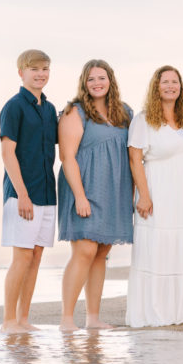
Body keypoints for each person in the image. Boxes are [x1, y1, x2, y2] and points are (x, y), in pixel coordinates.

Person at [57, 59, 134, 332]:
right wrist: (80, 196)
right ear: (84, 83)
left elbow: (134, 154)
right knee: (85, 250)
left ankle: (93, 318)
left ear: (110, 80)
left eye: (101, 78)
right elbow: (67, 157)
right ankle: (67, 318)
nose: (97, 83)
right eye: (91, 79)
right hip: (84, 187)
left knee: (101, 252)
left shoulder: (125, 112)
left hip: (115, 190)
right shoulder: (74, 112)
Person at [125, 66, 183, 327]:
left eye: (175, 82)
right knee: (157, 247)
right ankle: (154, 313)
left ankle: (179, 312)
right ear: (156, 87)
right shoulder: (144, 119)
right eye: (165, 82)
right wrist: (143, 196)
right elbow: (135, 159)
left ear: (181, 87)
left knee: (182, 246)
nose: (170, 86)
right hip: (157, 190)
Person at [0, 49, 58, 334]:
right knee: (21, 257)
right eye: (34, 69)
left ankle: (24, 320)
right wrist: (22, 194)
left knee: (35, 258)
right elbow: (8, 153)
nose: (40, 74)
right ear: (21, 72)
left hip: (48, 195)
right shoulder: (14, 107)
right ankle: (8, 321)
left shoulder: (49, 109)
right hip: (21, 195)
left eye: (44, 69)